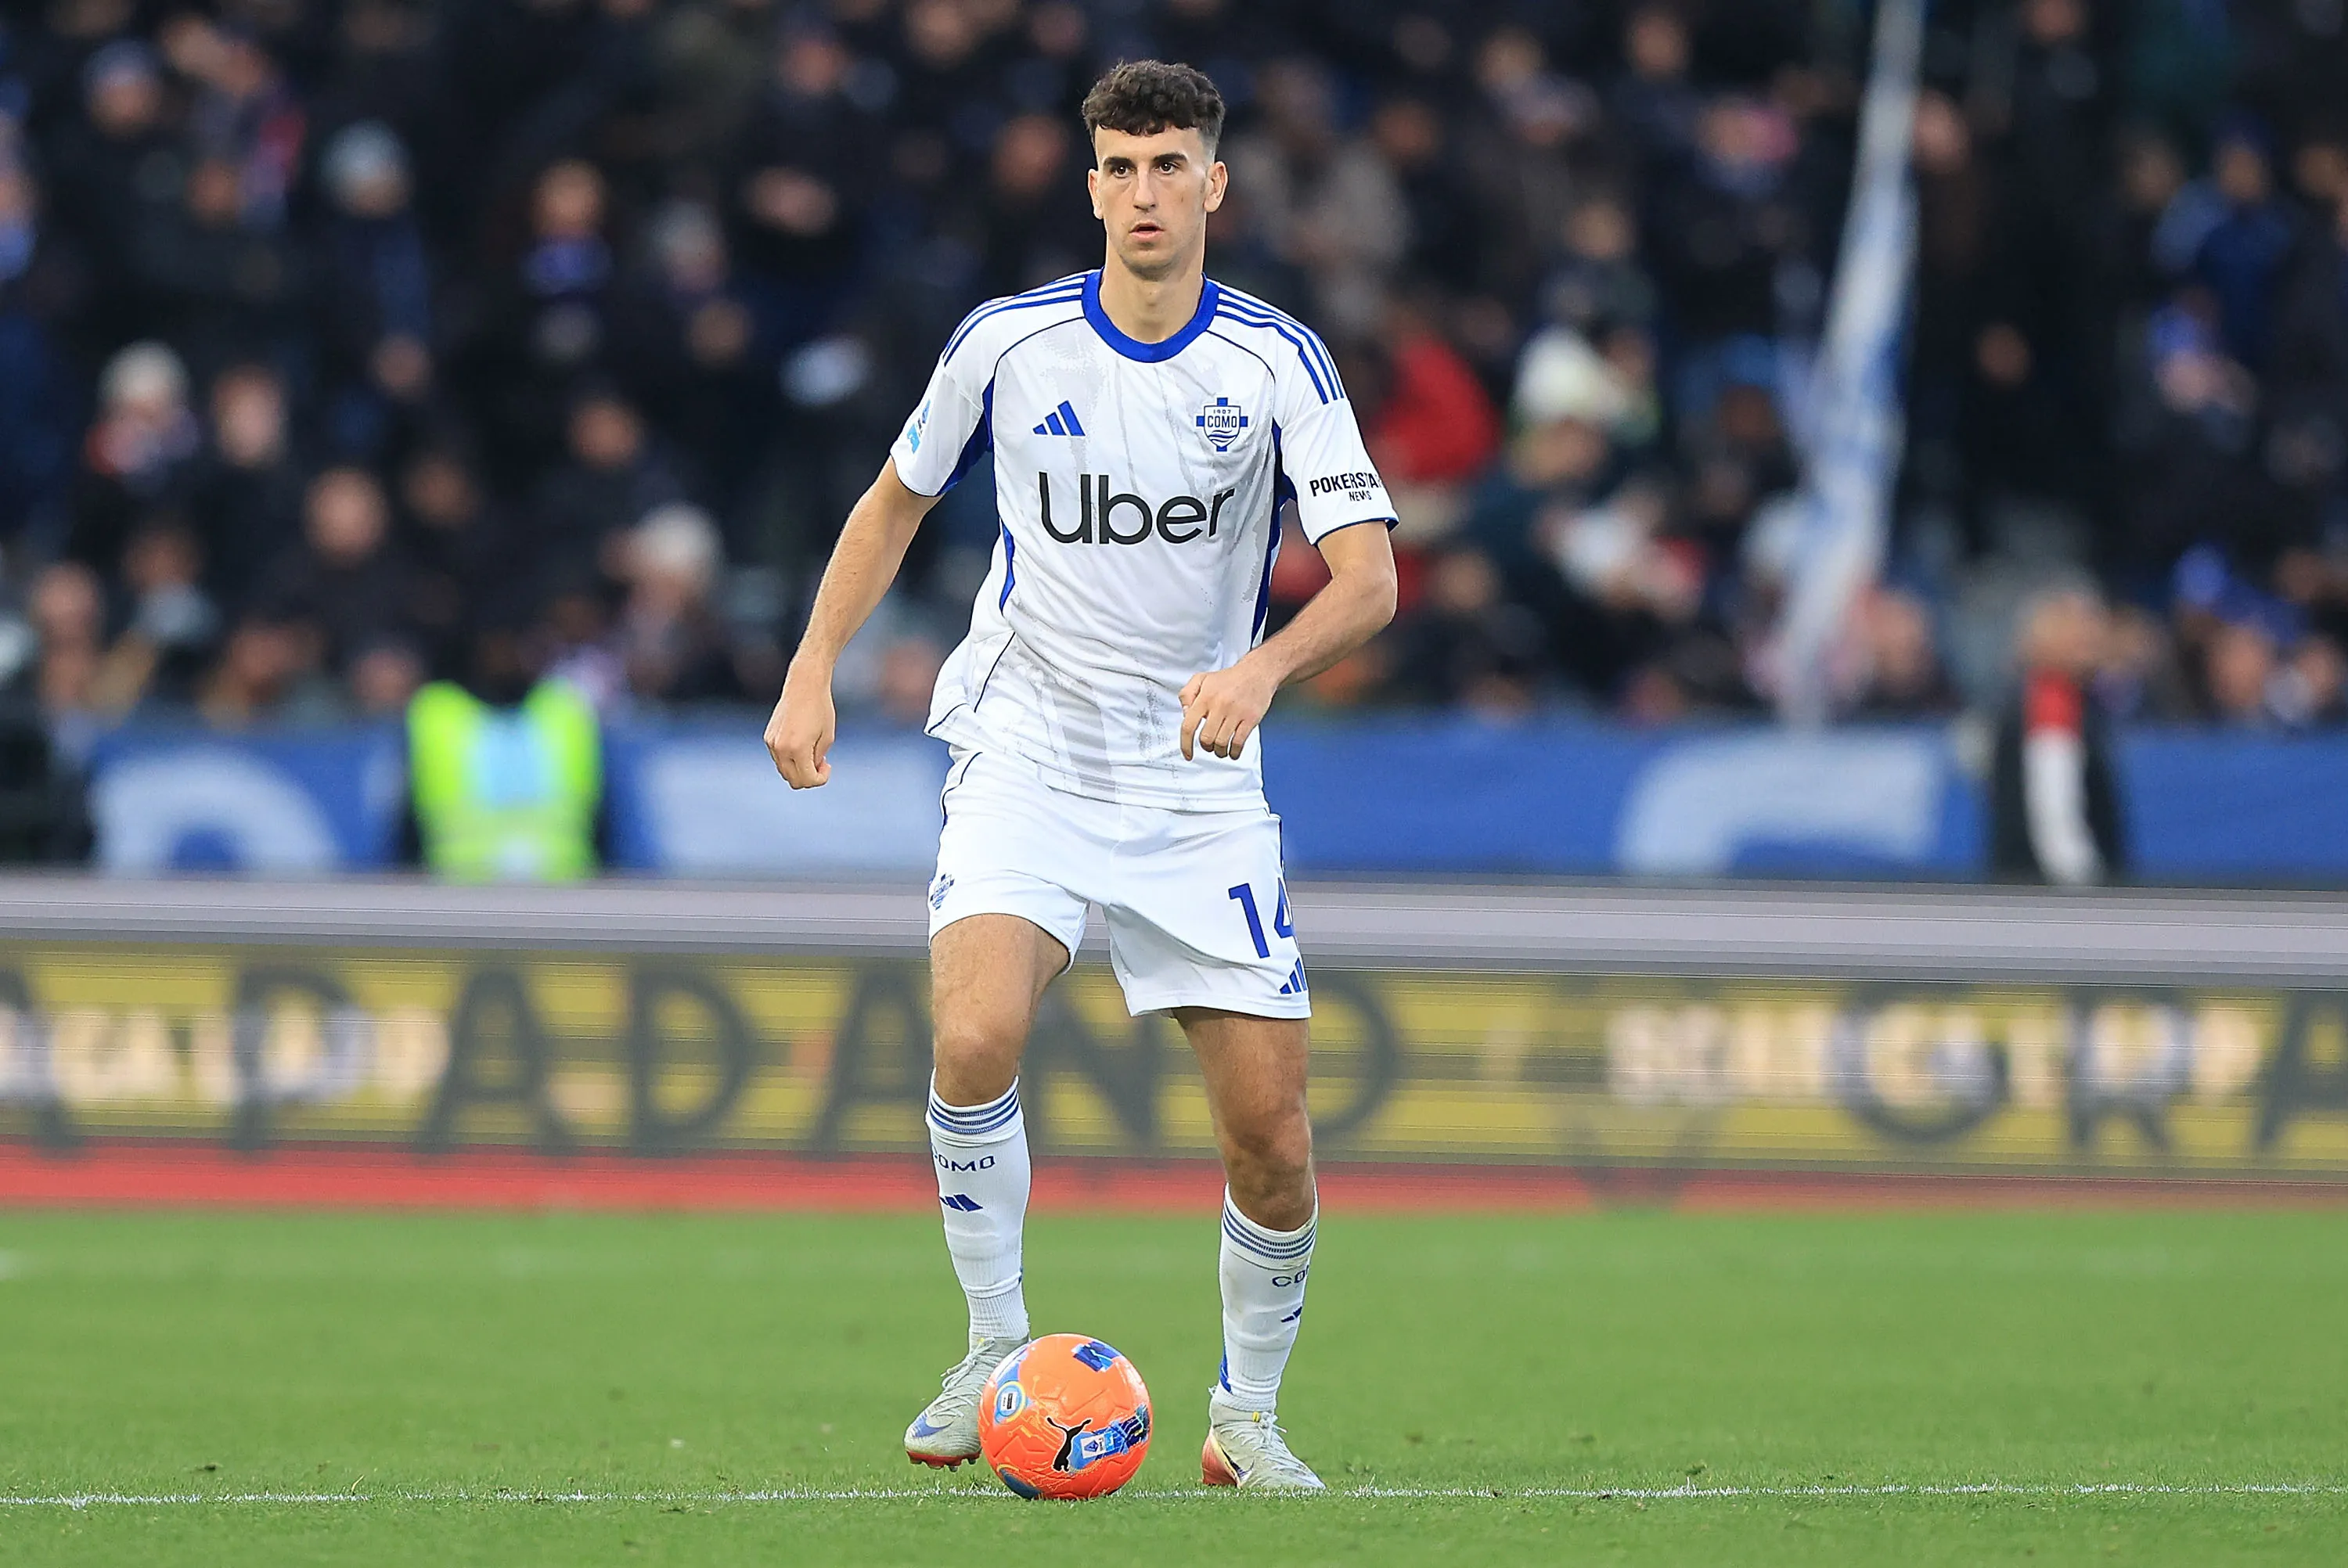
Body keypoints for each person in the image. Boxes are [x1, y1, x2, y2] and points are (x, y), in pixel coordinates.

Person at [762, 60, 1398, 1492]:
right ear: (1089, 182)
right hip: (1027, 748)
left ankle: (1246, 1417)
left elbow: (1369, 583)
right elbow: (893, 503)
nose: (1144, 193)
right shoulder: (1008, 344)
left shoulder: (1277, 363)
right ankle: (994, 1345)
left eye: (1170, 165)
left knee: (1272, 1139)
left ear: (1216, 183)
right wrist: (810, 672)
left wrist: (1260, 672)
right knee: (975, 1037)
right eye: (1119, 167)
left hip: (1195, 779)